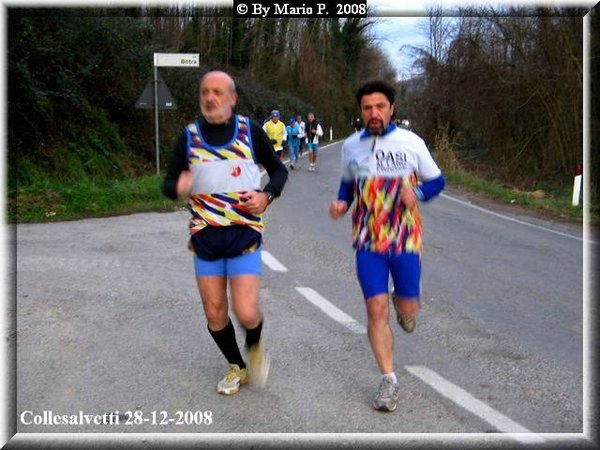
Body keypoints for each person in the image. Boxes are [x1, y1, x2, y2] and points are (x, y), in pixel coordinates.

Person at [163, 71, 288, 396]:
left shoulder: (249, 131)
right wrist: (178, 186)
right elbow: (169, 184)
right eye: (205, 91)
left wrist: (266, 196)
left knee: (245, 311)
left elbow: (279, 170)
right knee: (215, 313)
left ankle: (255, 346)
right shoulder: (189, 137)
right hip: (205, 237)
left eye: (217, 92)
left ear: (232, 99)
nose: (210, 97)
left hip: (244, 233)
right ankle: (237, 366)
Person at [329, 79, 445, 412]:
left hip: (405, 239)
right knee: (375, 310)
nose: (374, 113)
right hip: (368, 241)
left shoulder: (411, 142)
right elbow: (347, 186)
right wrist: (342, 203)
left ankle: (404, 302)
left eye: (380, 106)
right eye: (367, 108)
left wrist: (417, 193)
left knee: (408, 311)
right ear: (361, 111)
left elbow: (437, 181)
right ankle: (388, 380)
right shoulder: (352, 146)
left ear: (392, 108)